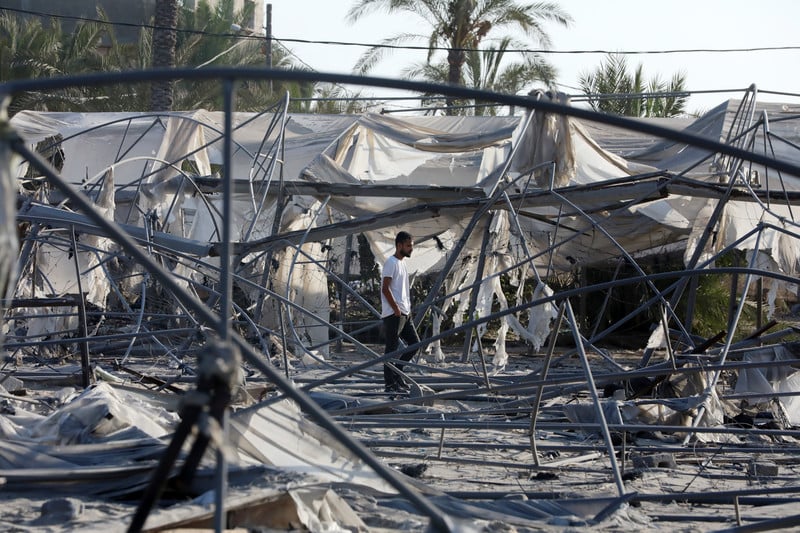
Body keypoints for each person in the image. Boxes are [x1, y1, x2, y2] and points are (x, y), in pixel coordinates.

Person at [380, 231, 421, 393]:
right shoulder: (391, 262)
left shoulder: (402, 263)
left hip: (405, 312)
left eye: (412, 245)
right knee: (391, 349)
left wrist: (406, 310)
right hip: (394, 314)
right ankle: (389, 384)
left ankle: (398, 375)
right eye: (408, 245)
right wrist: (396, 309)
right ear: (399, 246)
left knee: (415, 344)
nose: (411, 249)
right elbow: (385, 288)